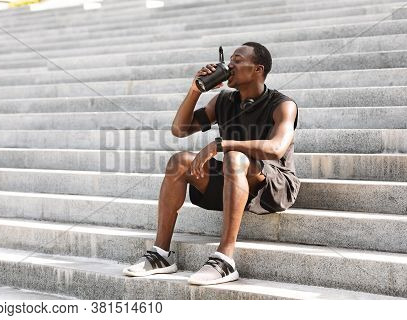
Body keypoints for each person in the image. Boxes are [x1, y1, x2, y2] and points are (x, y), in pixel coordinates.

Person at [123, 42, 301, 285]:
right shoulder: (223, 101)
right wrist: (196, 89)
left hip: (273, 184)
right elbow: (179, 129)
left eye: (237, 60)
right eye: (230, 59)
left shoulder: (283, 105)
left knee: (234, 157)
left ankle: (224, 260)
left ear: (258, 69)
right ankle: (161, 255)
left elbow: (276, 148)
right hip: (234, 179)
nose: (230, 65)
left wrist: (221, 145)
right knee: (179, 162)